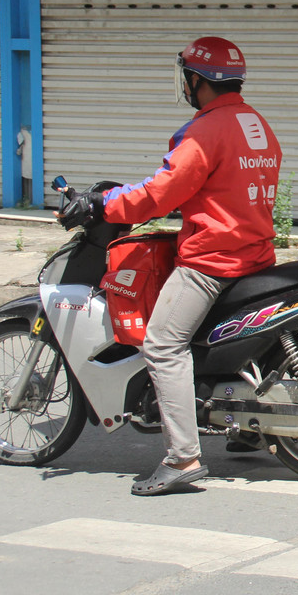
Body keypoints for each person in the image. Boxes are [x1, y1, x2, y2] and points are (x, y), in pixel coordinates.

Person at [58, 37, 282, 495]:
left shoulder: (204, 131)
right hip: (255, 252)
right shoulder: (254, 122)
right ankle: (248, 428)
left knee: (162, 344)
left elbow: (161, 192)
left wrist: (103, 203)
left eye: (187, 78)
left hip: (213, 260)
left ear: (197, 80)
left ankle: (183, 458)